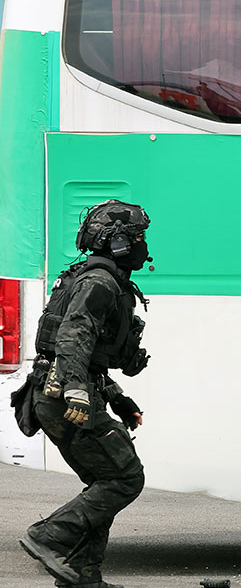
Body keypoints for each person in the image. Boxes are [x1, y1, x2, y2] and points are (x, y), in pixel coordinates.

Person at [18, 200, 153, 588]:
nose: (143, 244)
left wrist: (117, 397)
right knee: (125, 479)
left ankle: (83, 575)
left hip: (58, 391)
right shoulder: (99, 282)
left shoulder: (97, 278)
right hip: (64, 395)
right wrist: (76, 388)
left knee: (105, 479)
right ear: (119, 243)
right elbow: (73, 336)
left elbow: (90, 353)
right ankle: (49, 537)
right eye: (137, 237)